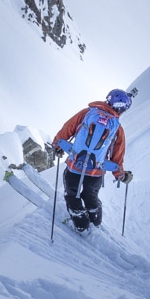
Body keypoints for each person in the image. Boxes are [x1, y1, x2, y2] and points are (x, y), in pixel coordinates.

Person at [52, 89, 133, 232]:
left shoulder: (87, 113)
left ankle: (81, 225)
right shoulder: (117, 129)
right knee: (91, 196)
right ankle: (95, 224)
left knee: (71, 194)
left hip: (74, 167)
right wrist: (121, 175)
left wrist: (57, 145)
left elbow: (68, 128)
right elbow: (117, 155)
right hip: (96, 172)